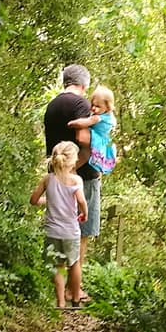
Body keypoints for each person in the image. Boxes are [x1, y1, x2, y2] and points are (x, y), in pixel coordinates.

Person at [43, 64, 100, 295]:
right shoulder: (81, 104)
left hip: (56, 175)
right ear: (84, 84)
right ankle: (73, 289)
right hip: (82, 176)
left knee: (60, 228)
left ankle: (60, 287)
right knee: (81, 230)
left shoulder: (52, 105)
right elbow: (83, 139)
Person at [30, 140, 88, 309]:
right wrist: (84, 213)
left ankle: (60, 303)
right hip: (70, 232)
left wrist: (49, 200)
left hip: (52, 232)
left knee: (58, 266)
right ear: (73, 160)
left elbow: (33, 200)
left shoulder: (47, 179)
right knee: (74, 264)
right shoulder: (76, 180)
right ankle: (75, 301)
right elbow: (81, 201)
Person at [67, 84, 116, 175]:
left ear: (107, 107)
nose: (93, 108)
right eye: (92, 105)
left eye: (98, 106)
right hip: (103, 139)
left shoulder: (98, 117)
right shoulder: (108, 115)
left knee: (86, 152)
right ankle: (71, 169)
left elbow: (85, 122)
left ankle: (71, 169)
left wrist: (73, 123)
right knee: (87, 152)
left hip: (98, 139)